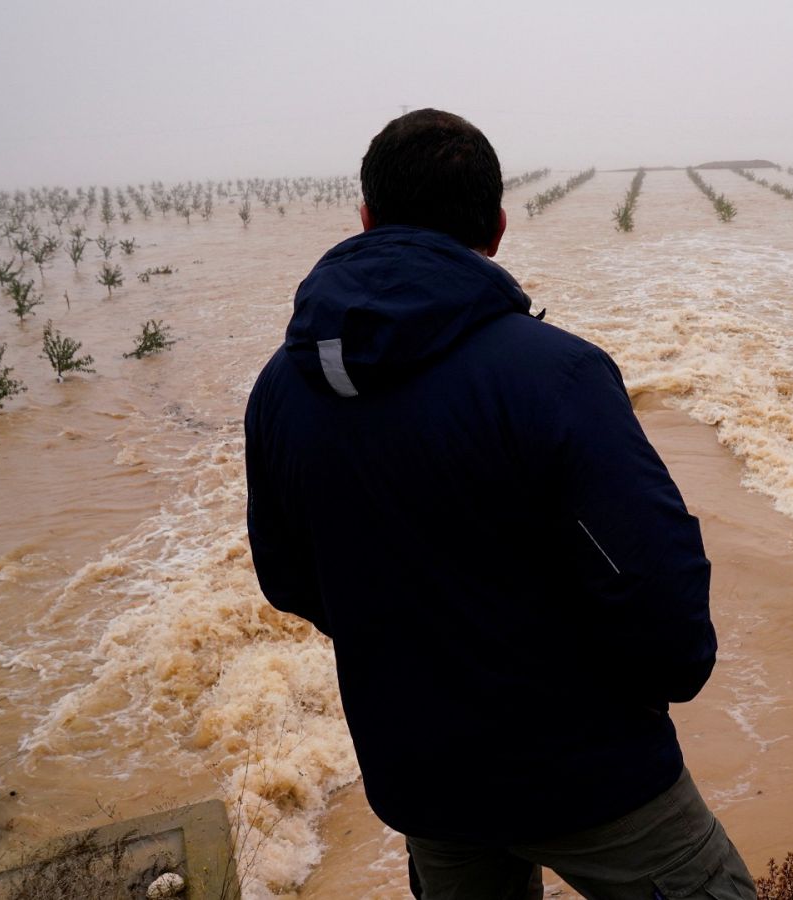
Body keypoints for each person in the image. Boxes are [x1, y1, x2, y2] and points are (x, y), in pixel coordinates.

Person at [243, 109, 754, 900]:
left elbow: (286, 577)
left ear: (368, 218)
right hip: (591, 770)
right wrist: (644, 691)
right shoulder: (555, 376)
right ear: (499, 228)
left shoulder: (282, 388)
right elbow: (656, 588)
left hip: (423, 776)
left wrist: (414, 652)